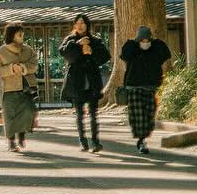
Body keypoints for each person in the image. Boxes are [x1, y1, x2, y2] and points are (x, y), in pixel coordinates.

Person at [119, 24, 172, 156]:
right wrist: (133, 42)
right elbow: (124, 54)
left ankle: (143, 137)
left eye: (147, 40)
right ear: (138, 40)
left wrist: (155, 41)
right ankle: (141, 140)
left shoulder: (155, 49)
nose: (145, 43)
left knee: (149, 114)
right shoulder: (132, 50)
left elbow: (166, 53)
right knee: (138, 114)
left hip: (151, 86)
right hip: (134, 86)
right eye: (142, 40)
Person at [59, 14, 110, 153]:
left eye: (83, 23)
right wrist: (77, 45)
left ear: (87, 25)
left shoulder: (95, 40)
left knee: (94, 114)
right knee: (80, 114)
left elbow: (105, 56)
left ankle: (95, 142)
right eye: (78, 23)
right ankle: (83, 141)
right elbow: (63, 52)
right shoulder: (70, 39)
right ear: (74, 25)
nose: (80, 25)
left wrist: (91, 52)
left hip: (92, 81)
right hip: (76, 81)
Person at [0, 22, 40, 152]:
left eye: (22, 34)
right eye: (19, 34)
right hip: (8, 88)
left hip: (27, 87)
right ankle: (11, 142)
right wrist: (11, 68)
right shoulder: (0, 52)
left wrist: (24, 68)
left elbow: (35, 64)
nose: (22, 36)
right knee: (9, 115)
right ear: (12, 35)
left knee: (27, 112)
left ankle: (22, 135)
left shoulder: (28, 50)